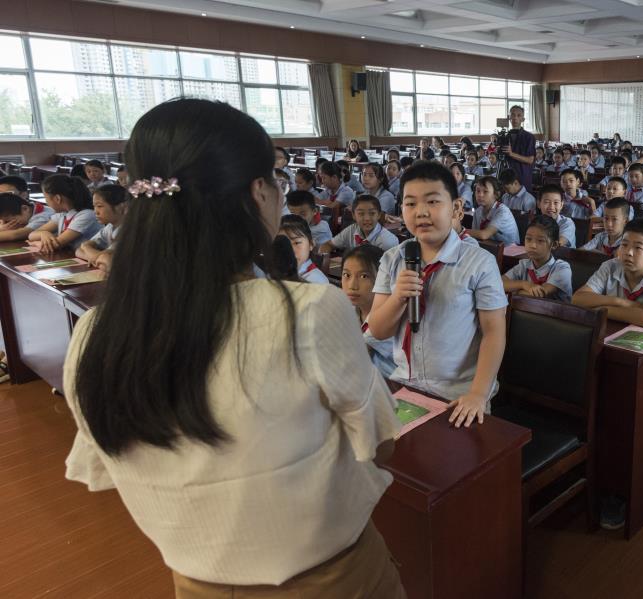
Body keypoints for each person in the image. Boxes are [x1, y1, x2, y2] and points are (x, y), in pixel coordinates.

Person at [63, 98, 404, 598]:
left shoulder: (94, 336)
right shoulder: (307, 312)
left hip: (196, 584)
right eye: (276, 182)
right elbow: (381, 443)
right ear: (258, 191)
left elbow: (111, 470)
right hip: (331, 581)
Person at [368, 161, 507, 428]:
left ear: (456, 208)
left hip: (459, 396)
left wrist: (478, 394)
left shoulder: (479, 262)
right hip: (405, 386)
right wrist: (398, 297)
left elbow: (494, 332)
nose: (420, 213)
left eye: (432, 202)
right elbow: (378, 329)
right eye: (410, 204)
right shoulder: (393, 259)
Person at [573, 219, 643, 328]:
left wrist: (600, 310)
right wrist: (620, 302)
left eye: (638, 248)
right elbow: (577, 299)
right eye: (624, 245)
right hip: (614, 329)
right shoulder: (610, 266)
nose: (628, 252)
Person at [341, 245, 397, 378]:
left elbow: (352, 358)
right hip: (364, 381)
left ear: (384, 279)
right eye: (346, 275)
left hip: (393, 387)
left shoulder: (389, 316)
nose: (352, 286)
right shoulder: (350, 310)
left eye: (364, 276)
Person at [502, 215, 572, 302]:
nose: (532, 245)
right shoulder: (524, 264)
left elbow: (540, 294)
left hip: (553, 314)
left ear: (554, 245)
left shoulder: (562, 268)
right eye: (528, 239)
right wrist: (524, 284)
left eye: (540, 241)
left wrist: (514, 291)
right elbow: (499, 283)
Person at [28, 174, 101, 252]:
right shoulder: (62, 214)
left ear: (57, 199)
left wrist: (35, 243)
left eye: (46, 198)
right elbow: (31, 235)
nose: (46, 201)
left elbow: (56, 245)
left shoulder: (87, 215)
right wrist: (43, 233)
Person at [321, 195, 399, 253]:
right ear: (354, 215)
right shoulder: (352, 230)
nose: (367, 218)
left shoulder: (387, 242)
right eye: (361, 214)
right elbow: (329, 244)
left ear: (379, 215)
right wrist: (324, 257)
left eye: (372, 213)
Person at [76, 184, 127, 271]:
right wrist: (86, 247)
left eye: (99, 206)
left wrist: (89, 251)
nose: (95, 211)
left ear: (121, 207)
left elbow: (107, 263)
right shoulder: (110, 227)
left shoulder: (129, 230)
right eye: (94, 206)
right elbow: (78, 251)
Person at [468, 176, 520, 245]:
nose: (480, 195)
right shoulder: (478, 211)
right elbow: (474, 236)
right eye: (478, 191)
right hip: (489, 248)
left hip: (509, 252)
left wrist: (461, 231)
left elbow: (484, 235)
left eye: (485, 191)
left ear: (496, 194)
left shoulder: (503, 211)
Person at [278, 215, 330, 284]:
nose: (289, 250)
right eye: (281, 244)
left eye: (296, 243)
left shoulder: (317, 281)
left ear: (311, 244)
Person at [500, 105, 536, 191]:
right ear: (509, 118)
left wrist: (511, 154)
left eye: (519, 115)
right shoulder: (504, 136)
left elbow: (530, 160)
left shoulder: (529, 137)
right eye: (513, 115)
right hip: (507, 175)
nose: (515, 118)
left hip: (522, 175)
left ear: (523, 119)